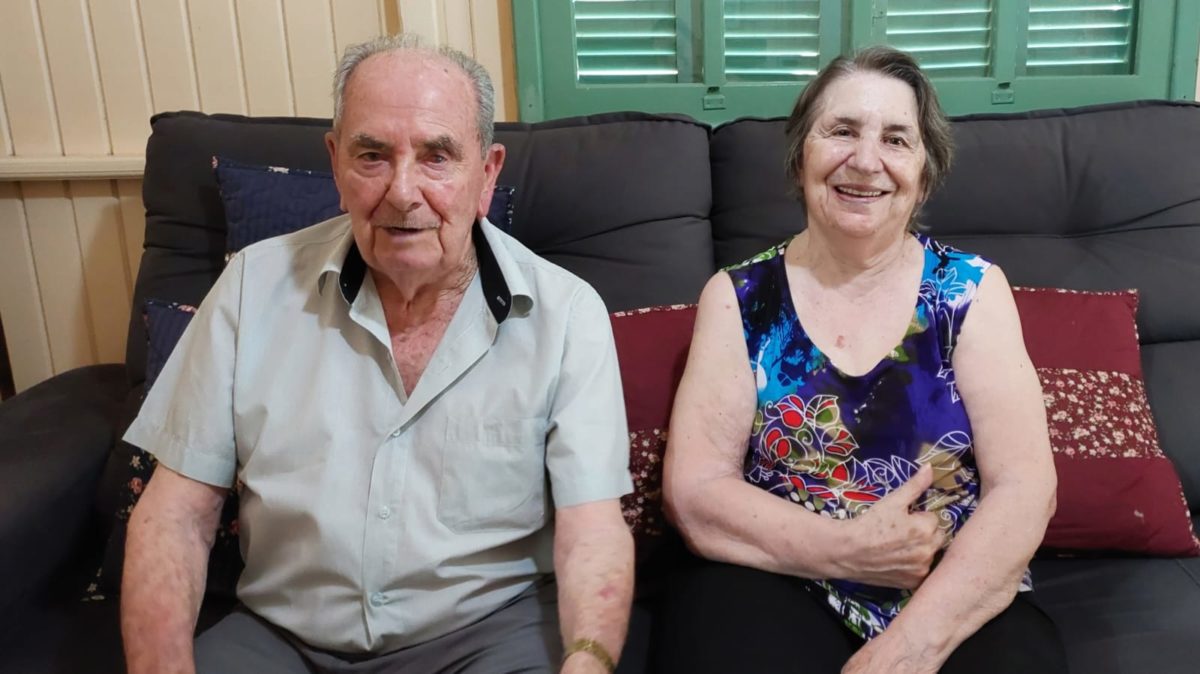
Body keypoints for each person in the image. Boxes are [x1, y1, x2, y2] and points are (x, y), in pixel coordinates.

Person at [120, 34, 634, 674]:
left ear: (487, 173)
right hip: (282, 638)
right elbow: (176, 517)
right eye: (372, 155)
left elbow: (592, 529)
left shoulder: (566, 313)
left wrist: (586, 662)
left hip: (486, 639)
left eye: (437, 156)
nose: (402, 191)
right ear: (336, 164)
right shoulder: (253, 287)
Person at [659, 46, 1066, 674]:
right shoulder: (737, 298)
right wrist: (845, 550)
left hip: (948, 582)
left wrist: (911, 647)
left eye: (896, 139)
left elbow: (1025, 488)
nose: (866, 160)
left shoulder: (970, 292)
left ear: (925, 172)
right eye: (842, 131)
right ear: (801, 157)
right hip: (777, 575)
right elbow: (695, 492)